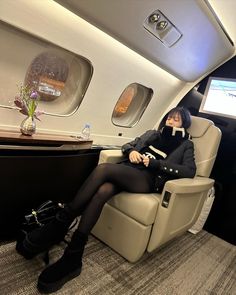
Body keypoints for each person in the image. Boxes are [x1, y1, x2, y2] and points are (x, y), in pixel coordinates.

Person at [16, 106, 196, 293]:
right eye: (169, 117)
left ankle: (59, 224)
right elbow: (128, 144)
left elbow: (189, 171)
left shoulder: (186, 144)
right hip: (130, 169)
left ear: (184, 123)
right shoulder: (152, 134)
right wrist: (131, 152)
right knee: (103, 190)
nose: (171, 121)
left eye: (176, 119)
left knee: (104, 169)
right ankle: (73, 256)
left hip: (148, 178)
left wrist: (156, 163)